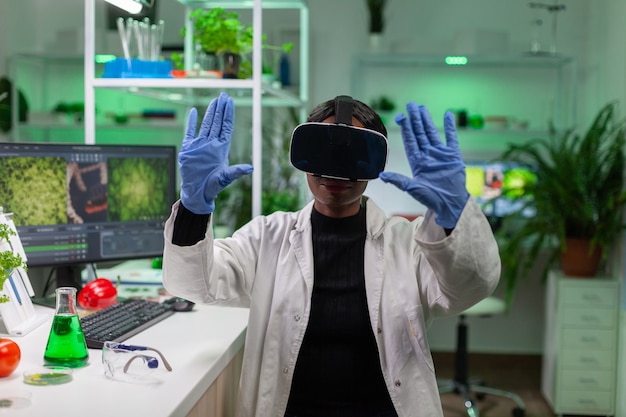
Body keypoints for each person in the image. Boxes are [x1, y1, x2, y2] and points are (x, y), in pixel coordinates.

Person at [162, 92, 500, 417]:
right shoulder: (268, 237)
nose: (336, 171)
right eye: (324, 152)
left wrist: (453, 214)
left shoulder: (406, 244)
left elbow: (472, 285)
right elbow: (196, 285)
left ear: (373, 163)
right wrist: (193, 208)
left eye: (353, 154)